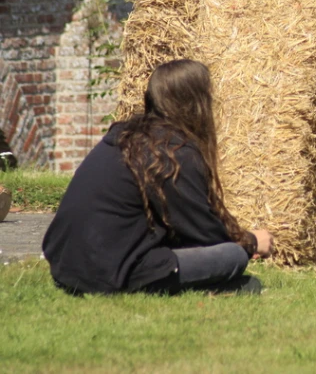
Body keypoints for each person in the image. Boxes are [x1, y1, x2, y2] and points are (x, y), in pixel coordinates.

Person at [43, 59, 273, 294]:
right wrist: (251, 242)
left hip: (66, 268)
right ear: (197, 104)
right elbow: (205, 235)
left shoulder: (125, 137)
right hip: (109, 274)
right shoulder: (172, 152)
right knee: (231, 256)